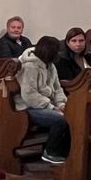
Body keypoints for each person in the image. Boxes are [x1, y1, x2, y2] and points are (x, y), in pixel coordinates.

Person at [15, 36, 71, 164]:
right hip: (27, 107)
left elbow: (57, 87)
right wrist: (51, 106)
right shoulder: (30, 66)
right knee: (60, 120)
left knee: (73, 116)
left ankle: (65, 152)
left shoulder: (50, 65)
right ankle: (50, 152)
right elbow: (29, 94)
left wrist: (61, 103)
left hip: (45, 104)